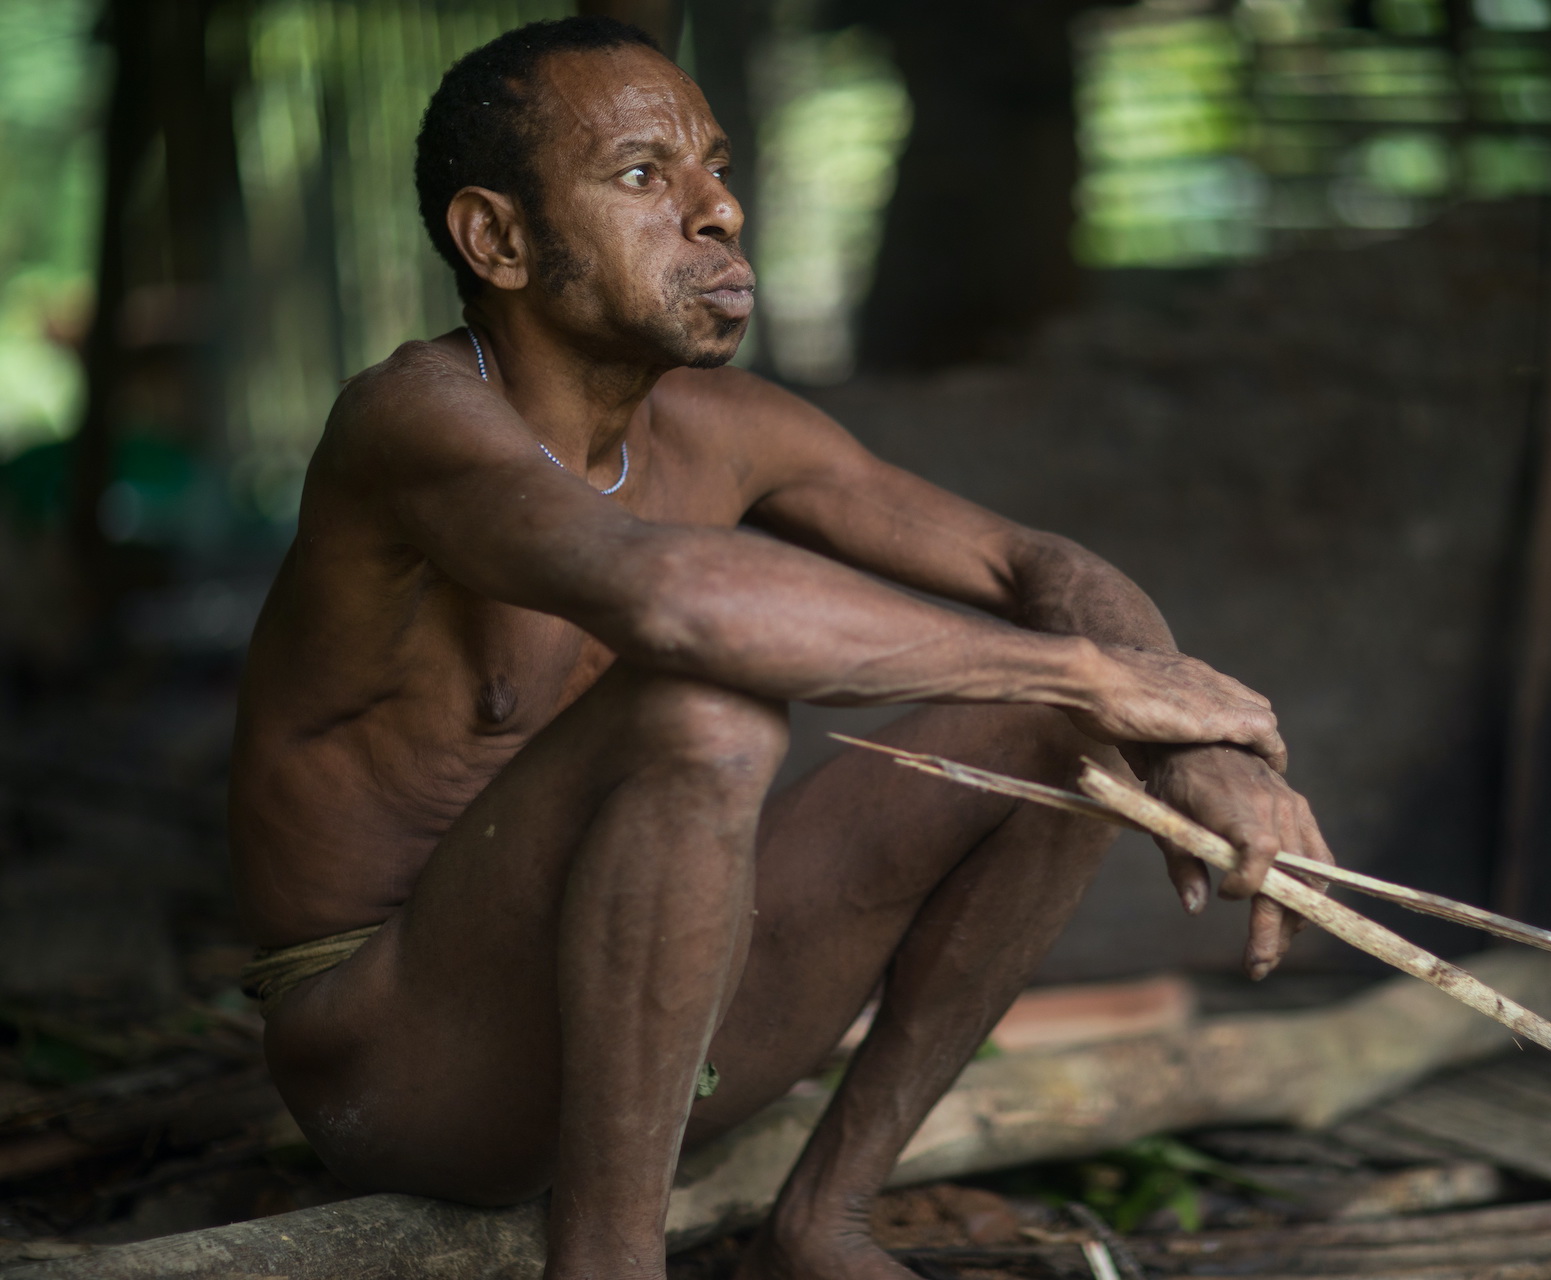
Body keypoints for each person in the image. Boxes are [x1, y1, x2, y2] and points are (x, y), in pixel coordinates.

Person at [228, 16, 1335, 1280]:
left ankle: (826, 1217)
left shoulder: (726, 427)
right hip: (406, 1057)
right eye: (645, 176)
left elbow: (1041, 566)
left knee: (1066, 728)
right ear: (499, 239)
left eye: (717, 166)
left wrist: (1176, 732)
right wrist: (1109, 676)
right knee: (709, 702)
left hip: (663, 1030)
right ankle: (608, 1262)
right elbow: (672, 597)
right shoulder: (412, 421)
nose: (718, 211)